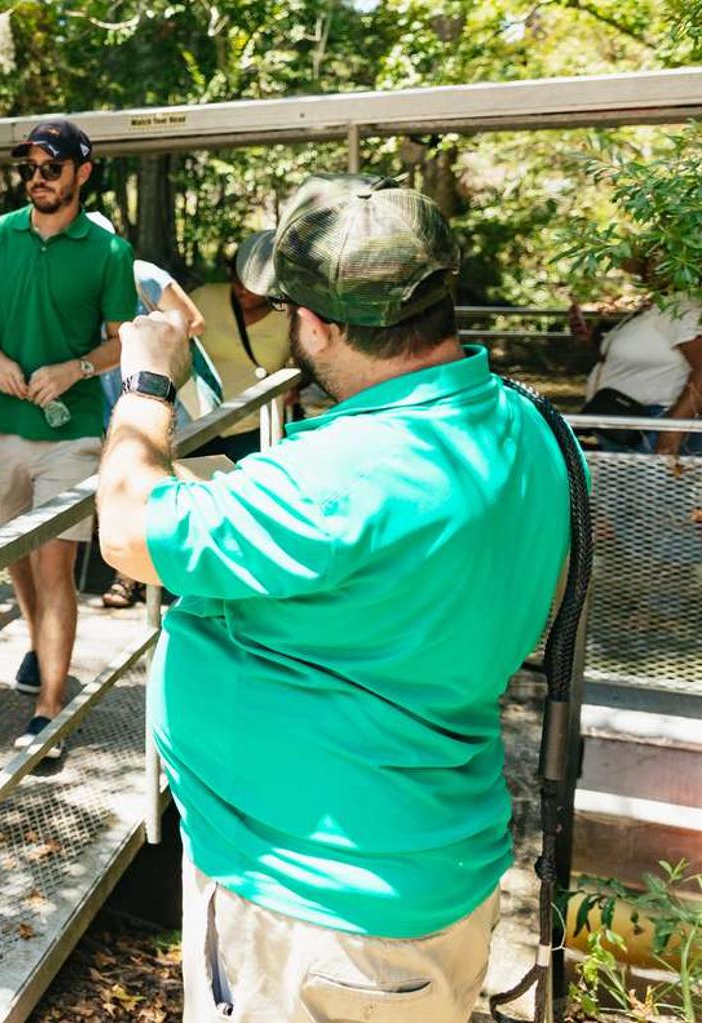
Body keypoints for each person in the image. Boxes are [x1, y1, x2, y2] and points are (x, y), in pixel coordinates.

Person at [96, 179, 573, 1022]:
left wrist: (145, 383)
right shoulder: (531, 427)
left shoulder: (344, 474)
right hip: (425, 868)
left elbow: (129, 531)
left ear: (315, 325)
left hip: (317, 913)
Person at [0, 118, 136, 758]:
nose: (37, 179)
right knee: (20, 556)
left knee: (54, 564)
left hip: (71, 431)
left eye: (51, 168)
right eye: (29, 168)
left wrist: (75, 368)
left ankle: (49, 711)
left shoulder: (110, 252)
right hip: (1, 425)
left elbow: (122, 341)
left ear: (82, 173)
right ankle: (39, 645)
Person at [97, 249, 212, 610]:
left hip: (162, 391)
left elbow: (194, 321)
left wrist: (147, 339)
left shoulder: (141, 274)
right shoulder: (79, 280)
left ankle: (175, 577)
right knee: (125, 479)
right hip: (113, 395)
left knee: (165, 478)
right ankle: (129, 576)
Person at [575, 254, 702, 459]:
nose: (652, 269)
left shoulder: (681, 308)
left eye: (660, 261)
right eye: (649, 262)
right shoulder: (653, 307)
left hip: (652, 425)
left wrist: (673, 429)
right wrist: (589, 339)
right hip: (623, 422)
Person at [183, 243, 296, 463]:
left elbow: (308, 361)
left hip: (255, 426)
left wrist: (295, 386)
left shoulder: (291, 316)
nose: (243, 290)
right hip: (196, 425)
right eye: (237, 280)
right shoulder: (204, 297)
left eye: (252, 284)